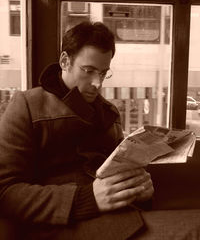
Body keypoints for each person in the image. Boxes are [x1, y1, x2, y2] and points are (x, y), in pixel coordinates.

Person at [0, 21, 154, 240]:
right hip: (60, 225)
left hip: (115, 217)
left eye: (103, 73)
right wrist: (87, 199)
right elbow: (5, 192)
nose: (97, 83)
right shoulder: (26, 105)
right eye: (88, 70)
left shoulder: (109, 112)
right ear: (65, 61)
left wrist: (139, 191)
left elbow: (117, 175)